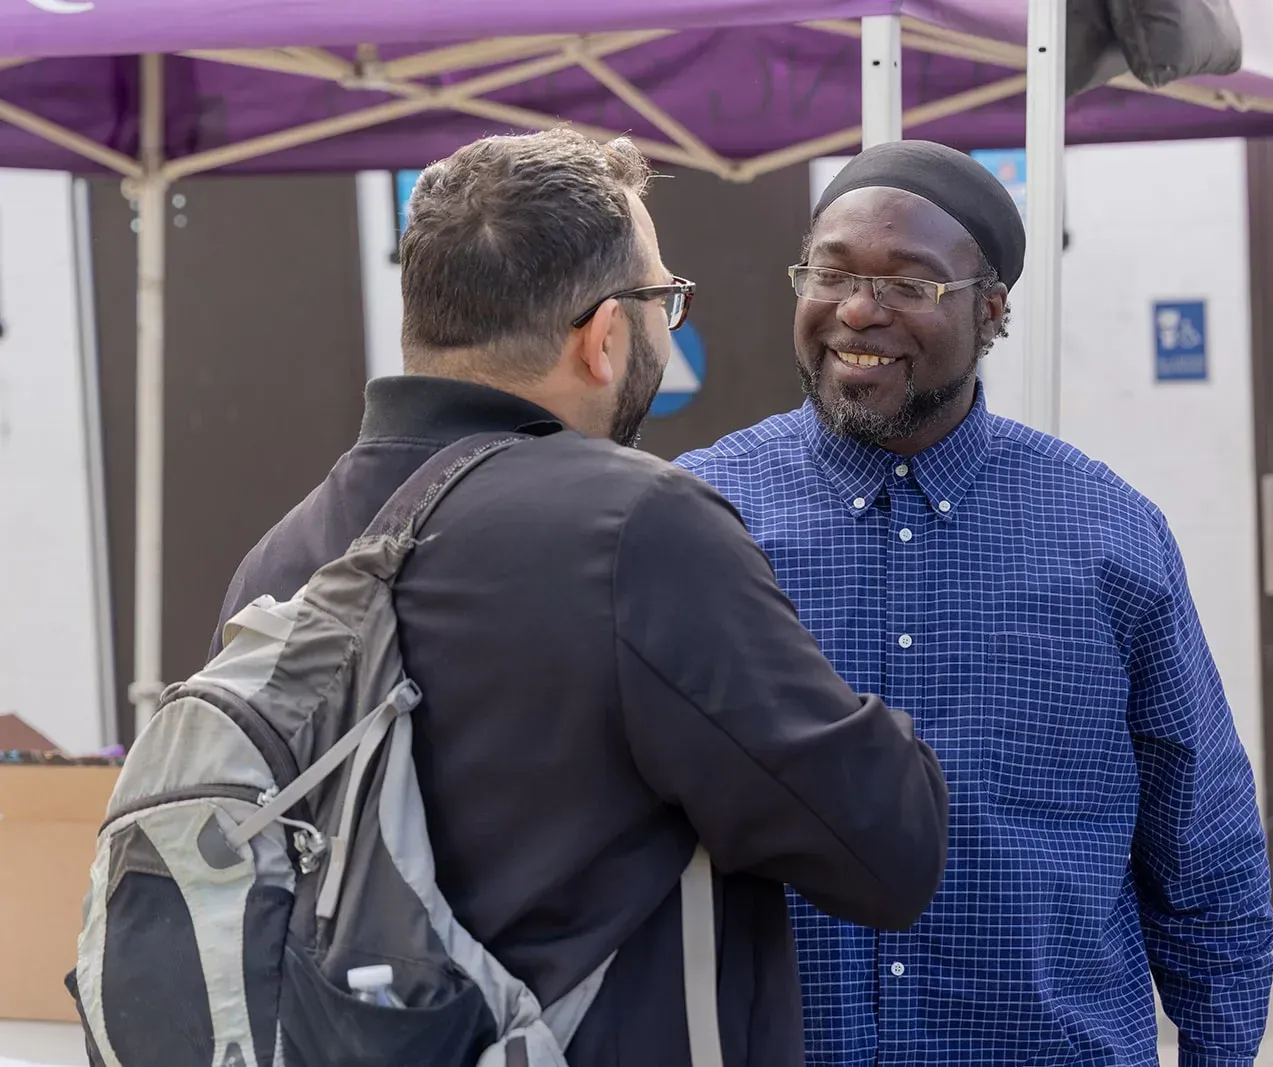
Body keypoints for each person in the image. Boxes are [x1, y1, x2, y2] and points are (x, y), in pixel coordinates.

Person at [210, 129, 950, 1067]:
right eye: (661, 301)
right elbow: (885, 849)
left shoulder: (276, 561)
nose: (662, 324)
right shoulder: (639, 527)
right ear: (603, 337)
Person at [676, 139, 1273, 1066]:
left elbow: (1205, 846)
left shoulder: (1109, 536)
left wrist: (1220, 1048)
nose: (859, 310)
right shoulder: (700, 520)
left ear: (992, 311)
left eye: (910, 284)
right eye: (830, 273)